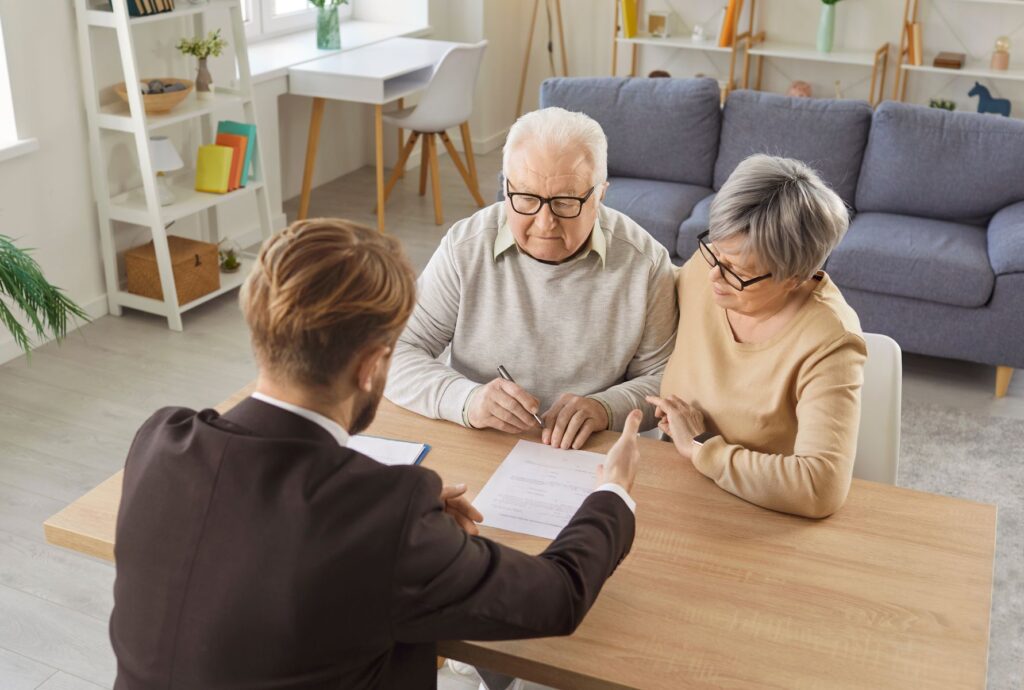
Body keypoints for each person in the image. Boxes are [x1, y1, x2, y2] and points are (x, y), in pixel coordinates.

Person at [109, 218, 642, 689]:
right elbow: (558, 597)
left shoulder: (160, 441)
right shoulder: (386, 514)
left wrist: (418, 539)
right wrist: (610, 494)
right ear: (370, 367)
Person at [385, 106, 678, 451]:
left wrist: (605, 409)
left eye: (566, 202)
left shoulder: (646, 263)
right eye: (525, 198)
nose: (544, 223)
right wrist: (466, 400)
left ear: (600, 194)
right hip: (482, 446)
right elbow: (394, 352)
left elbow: (665, 381)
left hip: (596, 454)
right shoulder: (465, 246)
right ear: (505, 187)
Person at [650, 154, 867, 519]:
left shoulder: (830, 342)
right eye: (715, 251)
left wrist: (703, 448)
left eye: (737, 271)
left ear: (795, 277)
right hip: (675, 489)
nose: (714, 275)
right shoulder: (707, 270)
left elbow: (820, 487)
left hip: (759, 515)